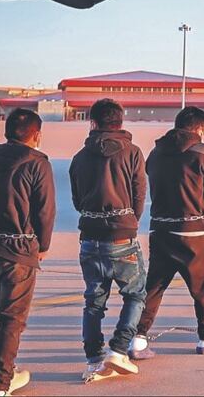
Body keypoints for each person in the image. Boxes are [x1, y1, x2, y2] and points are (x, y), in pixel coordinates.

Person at [132, 106, 204, 358]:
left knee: (153, 286)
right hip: (193, 231)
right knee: (202, 288)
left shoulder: (155, 152)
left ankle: (138, 337)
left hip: (161, 228)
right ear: (199, 128)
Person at [0, 108, 55, 397]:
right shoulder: (37, 163)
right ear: (36, 135)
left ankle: (7, 370)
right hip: (18, 249)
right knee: (11, 317)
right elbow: (45, 210)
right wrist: (43, 246)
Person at [68, 98, 147, 383]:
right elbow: (139, 195)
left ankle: (93, 359)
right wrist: (130, 220)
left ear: (93, 122)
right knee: (136, 294)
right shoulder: (133, 153)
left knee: (93, 301)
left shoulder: (79, 157)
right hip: (122, 233)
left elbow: (77, 200)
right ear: (120, 121)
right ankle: (118, 348)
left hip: (90, 236)